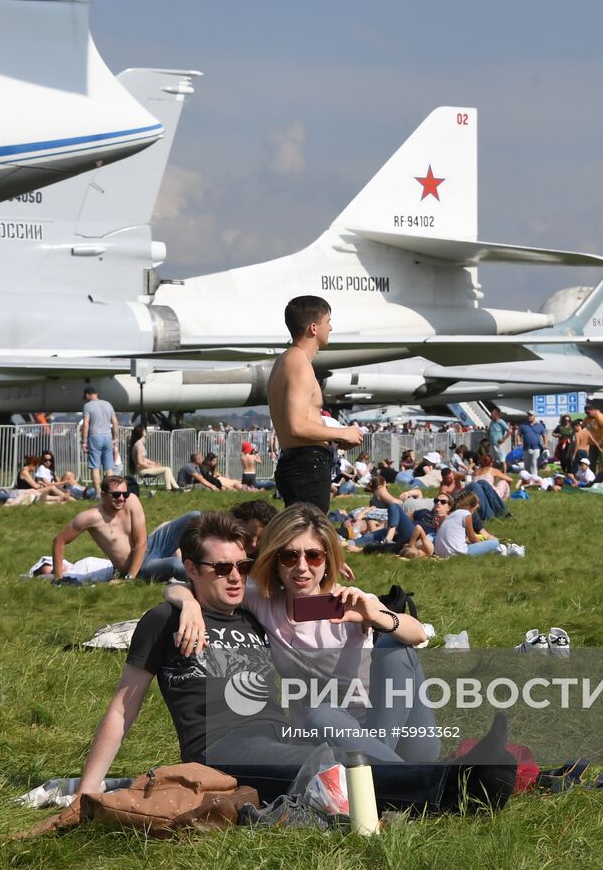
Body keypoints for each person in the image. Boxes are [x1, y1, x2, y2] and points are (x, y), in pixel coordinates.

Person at [75, 512, 515, 811]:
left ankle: (443, 778)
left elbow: (410, 633)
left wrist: (369, 609)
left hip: (309, 730)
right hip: (224, 747)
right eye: (220, 568)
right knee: (328, 764)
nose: (234, 577)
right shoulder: (173, 617)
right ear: (192, 568)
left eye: (241, 567)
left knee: (354, 724)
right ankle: (451, 789)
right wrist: (87, 788)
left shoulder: (254, 611)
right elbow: (122, 705)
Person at [166, 503, 439, 763]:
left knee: (393, 647)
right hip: (330, 734)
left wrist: (375, 616)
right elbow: (177, 585)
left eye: (313, 555)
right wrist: (189, 604)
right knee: (321, 715)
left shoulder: (349, 601)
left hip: (398, 731)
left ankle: (388, 771)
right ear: (274, 560)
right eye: (289, 556)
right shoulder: (263, 601)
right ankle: (399, 776)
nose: (302, 567)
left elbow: (418, 634)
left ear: (327, 559)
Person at [265, 296, 363, 511]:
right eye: (327, 321)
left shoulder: (285, 360)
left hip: (297, 463)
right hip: (306, 466)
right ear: (313, 328)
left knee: (301, 536)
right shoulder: (299, 363)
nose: (331, 327)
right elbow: (297, 426)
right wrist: (342, 433)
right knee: (310, 537)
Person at [50, 476, 191, 582]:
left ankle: (207, 561)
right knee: (176, 565)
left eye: (125, 494)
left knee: (195, 517)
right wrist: (58, 578)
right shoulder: (92, 517)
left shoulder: (132, 501)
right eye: (116, 495)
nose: (122, 498)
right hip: (140, 566)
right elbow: (59, 541)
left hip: (151, 545)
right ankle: (203, 583)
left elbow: (141, 542)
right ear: (103, 495)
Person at [436, 491, 522, 557]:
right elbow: (472, 537)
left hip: (441, 552)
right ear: (470, 507)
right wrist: (482, 545)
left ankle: (500, 552)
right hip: (456, 552)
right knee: (494, 543)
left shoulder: (452, 515)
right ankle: (511, 550)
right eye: (474, 510)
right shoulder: (465, 514)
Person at [80, 386, 120, 494]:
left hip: (95, 436)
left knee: (95, 466)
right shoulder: (108, 404)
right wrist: (115, 438)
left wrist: (84, 441)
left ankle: (98, 493)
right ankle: (112, 492)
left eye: (85, 396)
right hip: (108, 437)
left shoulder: (87, 406)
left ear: (88, 395)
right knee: (109, 467)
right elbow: (115, 422)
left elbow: (86, 424)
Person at [129, 425, 180, 490]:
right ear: (141, 432)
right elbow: (140, 462)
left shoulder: (139, 444)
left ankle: (176, 488)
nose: (145, 431)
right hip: (143, 471)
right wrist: (151, 466)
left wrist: (154, 463)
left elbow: (144, 459)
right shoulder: (139, 445)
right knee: (167, 469)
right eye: (144, 429)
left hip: (144, 469)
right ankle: (170, 488)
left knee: (167, 469)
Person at [584, 403, 603, 476]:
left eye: (588, 413)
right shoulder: (587, 418)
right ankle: (593, 479)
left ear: (593, 410)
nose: (587, 414)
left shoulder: (599, 416)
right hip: (593, 443)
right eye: (586, 413)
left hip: (602, 443)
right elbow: (581, 426)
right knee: (592, 462)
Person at [516, 412, 546, 477]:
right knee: (527, 465)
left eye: (531, 415)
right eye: (528, 415)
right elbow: (518, 435)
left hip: (536, 448)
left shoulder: (540, 426)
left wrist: (545, 444)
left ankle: (534, 478)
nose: (529, 417)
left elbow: (544, 436)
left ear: (535, 416)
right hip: (526, 448)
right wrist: (518, 441)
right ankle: (527, 479)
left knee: (534, 464)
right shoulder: (523, 426)